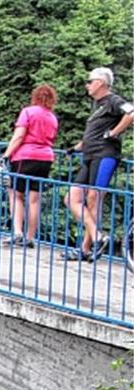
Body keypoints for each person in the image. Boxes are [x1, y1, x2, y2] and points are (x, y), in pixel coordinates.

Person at [61, 67, 134, 262]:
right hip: (89, 155)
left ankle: (85, 249)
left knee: (94, 198)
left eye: (90, 81)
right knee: (71, 198)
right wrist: (75, 148)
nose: (87, 85)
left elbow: (131, 113)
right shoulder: (97, 104)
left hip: (105, 155)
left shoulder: (113, 100)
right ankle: (98, 236)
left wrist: (114, 133)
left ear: (101, 82)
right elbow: (92, 133)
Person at [0, 84, 59, 248]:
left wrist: (6, 155)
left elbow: (19, 136)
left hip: (25, 157)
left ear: (35, 97)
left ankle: (17, 233)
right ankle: (30, 237)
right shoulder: (52, 117)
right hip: (46, 158)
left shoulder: (28, 112)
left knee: (15, 194)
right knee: (34, 199)